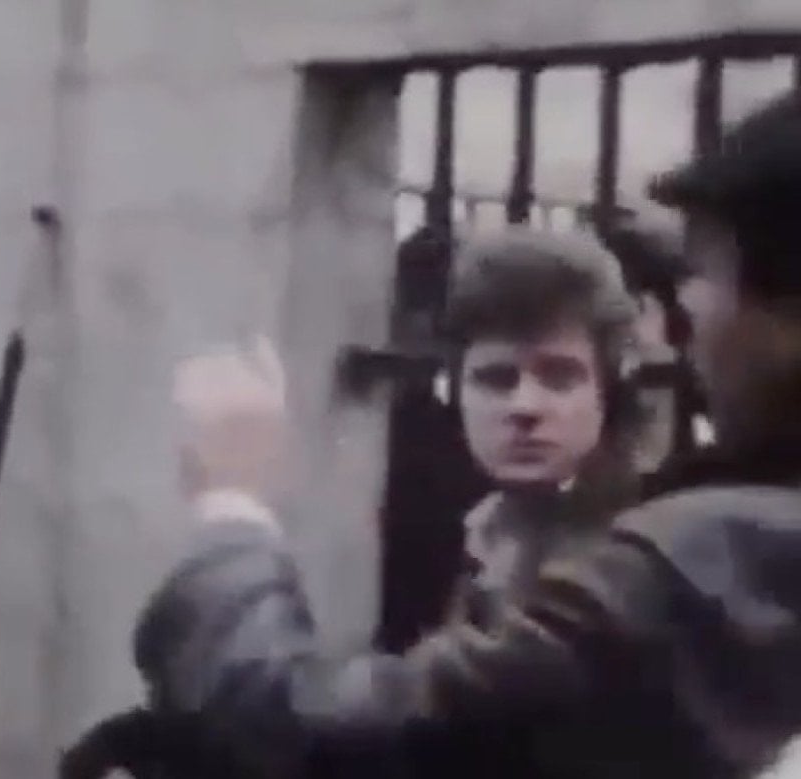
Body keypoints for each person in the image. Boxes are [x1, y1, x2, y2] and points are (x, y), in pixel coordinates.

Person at [127, 89, 801, 778]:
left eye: (707, 271)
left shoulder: (672, 567)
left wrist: (231, 503)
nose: (525, 407)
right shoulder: (474, 527)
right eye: (496, 378)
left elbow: (321, 738)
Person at [440, 229, 642, 628]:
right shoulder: (482, 530)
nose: (524, 406)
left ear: (607, 391)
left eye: (559, 377)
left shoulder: (635, 552)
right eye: (496, 379)